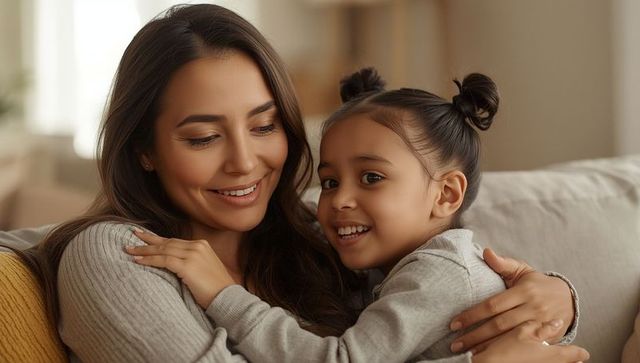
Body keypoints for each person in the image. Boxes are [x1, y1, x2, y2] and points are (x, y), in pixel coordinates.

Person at [2, 4, 585, 362]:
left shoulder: (320, 230)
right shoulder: (116, 255)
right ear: (144, 151)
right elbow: (43, 245)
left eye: (265, 125)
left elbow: (439, 281)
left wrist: (554, 299)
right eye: (204, 138)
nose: (245, 162)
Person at [126, 68, 588, 363]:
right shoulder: (388, 258)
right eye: (329, 182)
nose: (338, 200)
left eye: (371, 178)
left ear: (446, 194)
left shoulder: (440, 272)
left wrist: (224, 295)